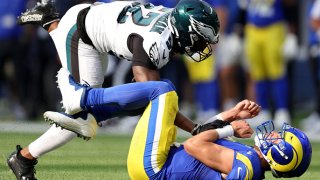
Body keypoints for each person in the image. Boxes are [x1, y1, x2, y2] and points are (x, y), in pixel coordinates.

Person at [7, 0, 220, 179]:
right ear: (185, 30)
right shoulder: (157, 40)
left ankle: (23, 159)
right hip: (81, 32)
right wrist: (194, 128)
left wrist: (194, 129)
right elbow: (158, 98)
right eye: (201, 38)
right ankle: (78, 95)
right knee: (85, 116)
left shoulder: (170, 27)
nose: (203, 46)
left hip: (98, 26)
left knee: (84, 119)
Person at [48, 68, 311, 179]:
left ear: (282, 155)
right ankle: (91, 117)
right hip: (158, 162)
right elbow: (203, 137)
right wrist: (230, 114)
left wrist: (230, 128)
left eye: (279, 138)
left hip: (154, 167)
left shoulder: (249, 165)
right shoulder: (248, 163)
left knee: (163, 91)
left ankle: (85, 99)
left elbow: (196, 145)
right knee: (158, 95)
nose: (274, 134)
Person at [243, 0, 294, 128]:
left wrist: (292, 33)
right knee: (258, 73)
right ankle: (263, 110)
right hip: (252, 28)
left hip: (274, 27)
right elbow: (242, 9)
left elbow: (291, 6)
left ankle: (282, 110)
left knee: (277, 72)